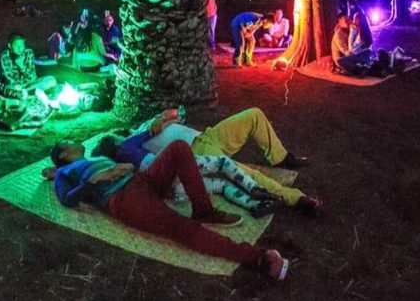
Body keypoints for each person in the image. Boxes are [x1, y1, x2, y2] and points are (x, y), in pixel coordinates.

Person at [49, 139, 291, 281]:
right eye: (69, 141)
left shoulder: (92, 157)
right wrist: (93, 180)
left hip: (140, 181)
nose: (75, 140)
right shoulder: (62, 173)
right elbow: (67, 199)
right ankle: (256, 257)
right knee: (181, 228)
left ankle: (203, 209)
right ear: (62, 153)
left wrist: (122, 167)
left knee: (178, 148)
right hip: (123, 199)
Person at [137, 108, 319, 214]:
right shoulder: (132, 147)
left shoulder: (147, 123)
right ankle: (295, 198)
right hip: (196, 152)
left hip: (208, 135)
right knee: (248, 173)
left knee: (254, 115)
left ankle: (281, 157)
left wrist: (160, 118)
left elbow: (176, 112)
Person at [94, 129, 284, 218]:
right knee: (222, 163)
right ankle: (255, 189)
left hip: (170, 191)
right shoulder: (125, 144)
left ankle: (254, 205)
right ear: (115, 141)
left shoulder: (118, 167)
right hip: (170, 169)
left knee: (220, 186)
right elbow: (150, 131)